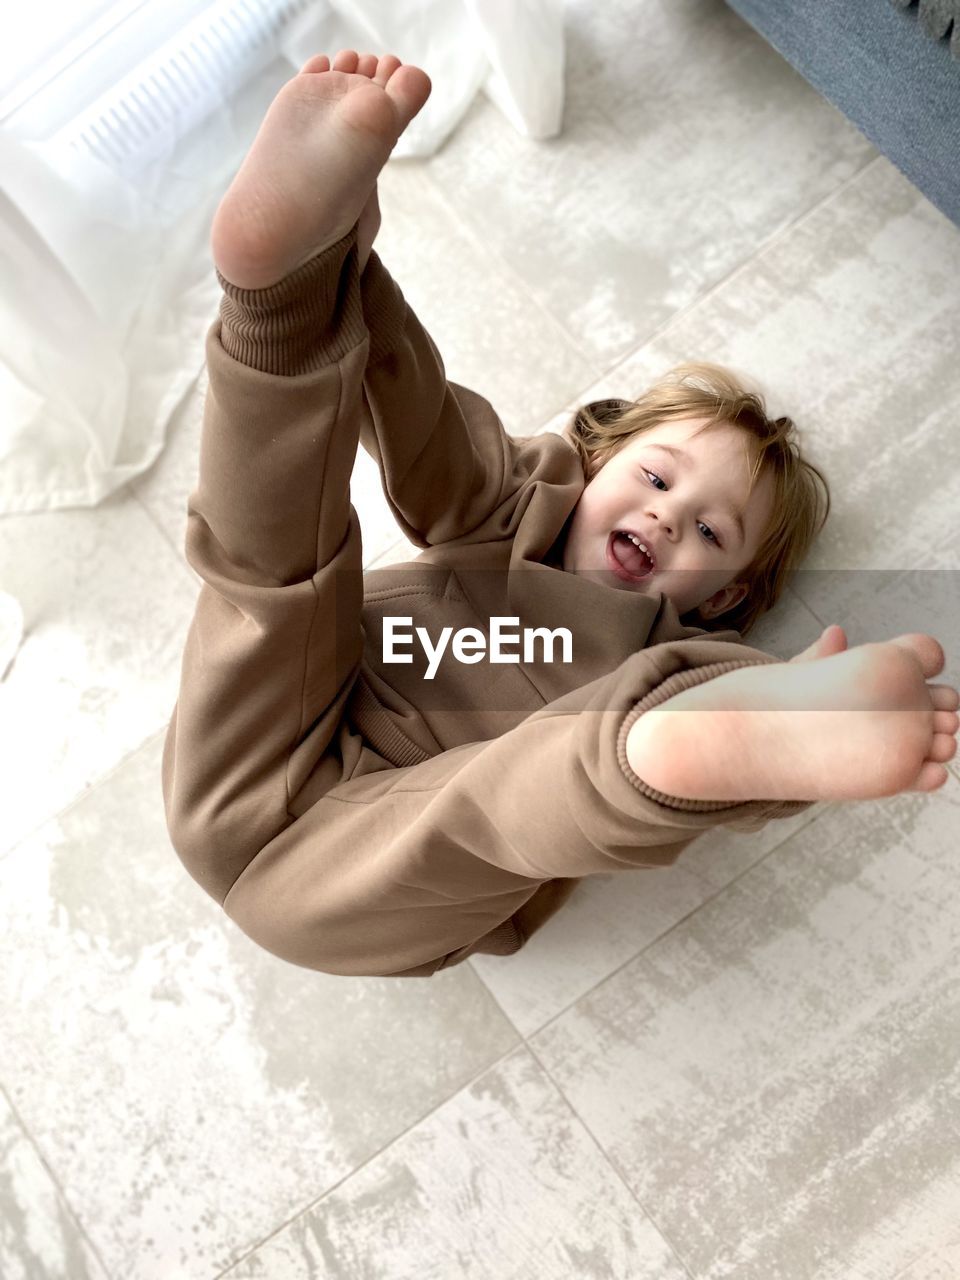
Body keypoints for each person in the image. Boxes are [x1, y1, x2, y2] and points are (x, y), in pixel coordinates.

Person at [161, 51, 959, 978]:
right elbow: (414, 410)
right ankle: (283, 298)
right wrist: (348, 268)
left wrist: (774, 733)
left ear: (728, 593)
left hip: (385, 880)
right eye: (657, 480)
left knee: (512, 800)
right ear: (597, 460)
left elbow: (531, 798)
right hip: (276, 737)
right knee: (271, 582)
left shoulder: (668, 660)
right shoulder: (518, 508)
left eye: (709, 533)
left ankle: (674, 757)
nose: (668, 521)